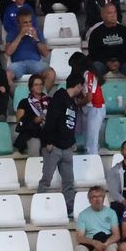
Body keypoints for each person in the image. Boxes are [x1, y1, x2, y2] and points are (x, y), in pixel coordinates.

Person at [39, 73, 81, 206]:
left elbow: (70, 124)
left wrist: (72, 141)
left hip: (67, 147)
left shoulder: (72, 102)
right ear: (78, 85)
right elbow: (51, 120)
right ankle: (38, 205)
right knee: (46, 179)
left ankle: (69, 208)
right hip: (54, 147)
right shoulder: (59, 97)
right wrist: (49, 141)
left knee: (69, 182)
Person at [73, 185, 122, 251]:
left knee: (112, 250)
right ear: (89, 199)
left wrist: (104, 245)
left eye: (100, 196)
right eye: (94, 197)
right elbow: (80, 237)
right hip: (90, 241)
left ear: (104, 198)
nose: (97, 199)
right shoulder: (83, 215)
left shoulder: (111, 213)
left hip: (107, 240)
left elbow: (116, 235)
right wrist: (95, 243)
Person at [86, 4, 126, 89]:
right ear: (103, 16)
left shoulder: (124, 30)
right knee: (95, 67)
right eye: (110, 13)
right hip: (103, 62)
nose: (113, 15)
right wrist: (107, 62)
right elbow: (93, 52)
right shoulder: (96, 32)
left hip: (122, 61)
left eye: (115, 12)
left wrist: (120, 61)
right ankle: (94, 98)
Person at [5, 7, 48, 80]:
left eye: (30, 22)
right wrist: (20, 35)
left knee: (51, 73)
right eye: (25, 22)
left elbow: (45, 53)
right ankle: (11, 92)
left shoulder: (37, 32)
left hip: (35, 63)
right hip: (18, 64)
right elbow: (8, 52)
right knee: (6, 76)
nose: (28, 25)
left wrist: (36, 38)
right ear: (18, 24)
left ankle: (42, 92)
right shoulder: (12, 32)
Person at [14, 72, 50, 150]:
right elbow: (20, 122)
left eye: (41, 84)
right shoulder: (24, 102)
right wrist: (34, 120)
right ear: (31, 87)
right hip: (32, 133)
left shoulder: (50, 100)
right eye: (36, 85)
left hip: (48, 132)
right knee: (35, 144)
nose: (39, 86)